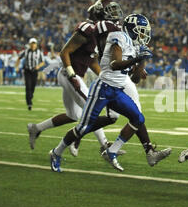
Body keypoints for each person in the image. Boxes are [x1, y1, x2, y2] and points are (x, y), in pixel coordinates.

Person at [49, 13, 171, 173]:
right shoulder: (119, 37)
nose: (144, 35)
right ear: (132, 29)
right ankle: (56, 152)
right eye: (141, 31)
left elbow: (134, 79)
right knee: (83, 128)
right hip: (103, 88)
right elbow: (114, 64)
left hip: (117, 91)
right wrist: (135, 59)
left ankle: (112, 150)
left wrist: (141, 63)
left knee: (138, 118)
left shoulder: (134, 45)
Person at [26, 2, 121, 156]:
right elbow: (64, 52)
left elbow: (90, 60)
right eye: (109, 12)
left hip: (73, 75)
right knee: (92, 108)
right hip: (69, 74)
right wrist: (72, 75)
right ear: (100, 14)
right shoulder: (88, 28)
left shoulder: (99, 33)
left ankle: (36, 128)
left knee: (73, 115)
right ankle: (104, 145)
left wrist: (105, 76)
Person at [15, 38, 45, 110]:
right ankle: (29, 103)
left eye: (34, 43)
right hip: (27, 70)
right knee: (28, 86)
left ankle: (30, 96)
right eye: (32, 43)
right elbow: (19, 58)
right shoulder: (26, 51)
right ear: (29, 44)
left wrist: (38, 66)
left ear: (36, 44)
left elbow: (43, 62)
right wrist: (17, 67)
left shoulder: (39, 52)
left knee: (33, 86)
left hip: (35, 71)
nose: (33, 45)